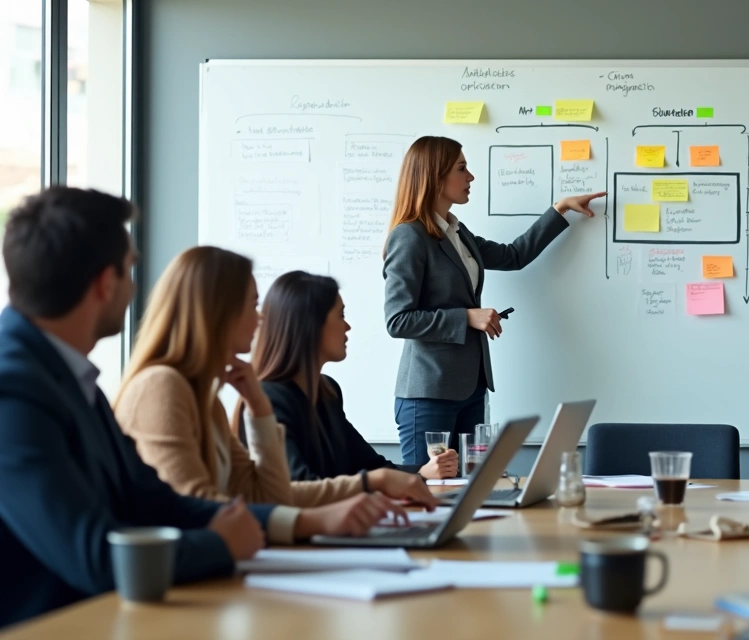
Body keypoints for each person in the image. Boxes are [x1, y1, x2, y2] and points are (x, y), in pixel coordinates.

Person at [0, 187, 404, 629]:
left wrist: (299, 520)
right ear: (104, 283)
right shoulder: (15, 389)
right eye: (131, 270)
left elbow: (158, 502)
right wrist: (224, 544)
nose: (136, 287)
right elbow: (96, 556)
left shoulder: (71, 379)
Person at [113, 246, 437, 513]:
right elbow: (199, 511)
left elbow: (266, 495)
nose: (261, 317)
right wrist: (332, 510)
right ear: (218, 312)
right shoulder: (162, 387)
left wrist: (259, 407)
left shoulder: (206, 398)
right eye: (253, 304)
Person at [385, 135, 605, 466]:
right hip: (428, 393)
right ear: (435, 175)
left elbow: (514, 256)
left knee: (468, 489)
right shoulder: (410, 236)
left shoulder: (457, 232)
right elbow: (398, 320)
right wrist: (467, 317)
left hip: (471, 388)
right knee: (427, 495)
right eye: (462, 169)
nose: (470, 177)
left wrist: (559, 210)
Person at [254, 271, 459, 482]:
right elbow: (299, 484)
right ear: (311, 325)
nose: (348, 327)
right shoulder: (269, 399)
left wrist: (422, 472)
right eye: (341, 316)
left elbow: (370, 465)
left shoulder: (327, 391)